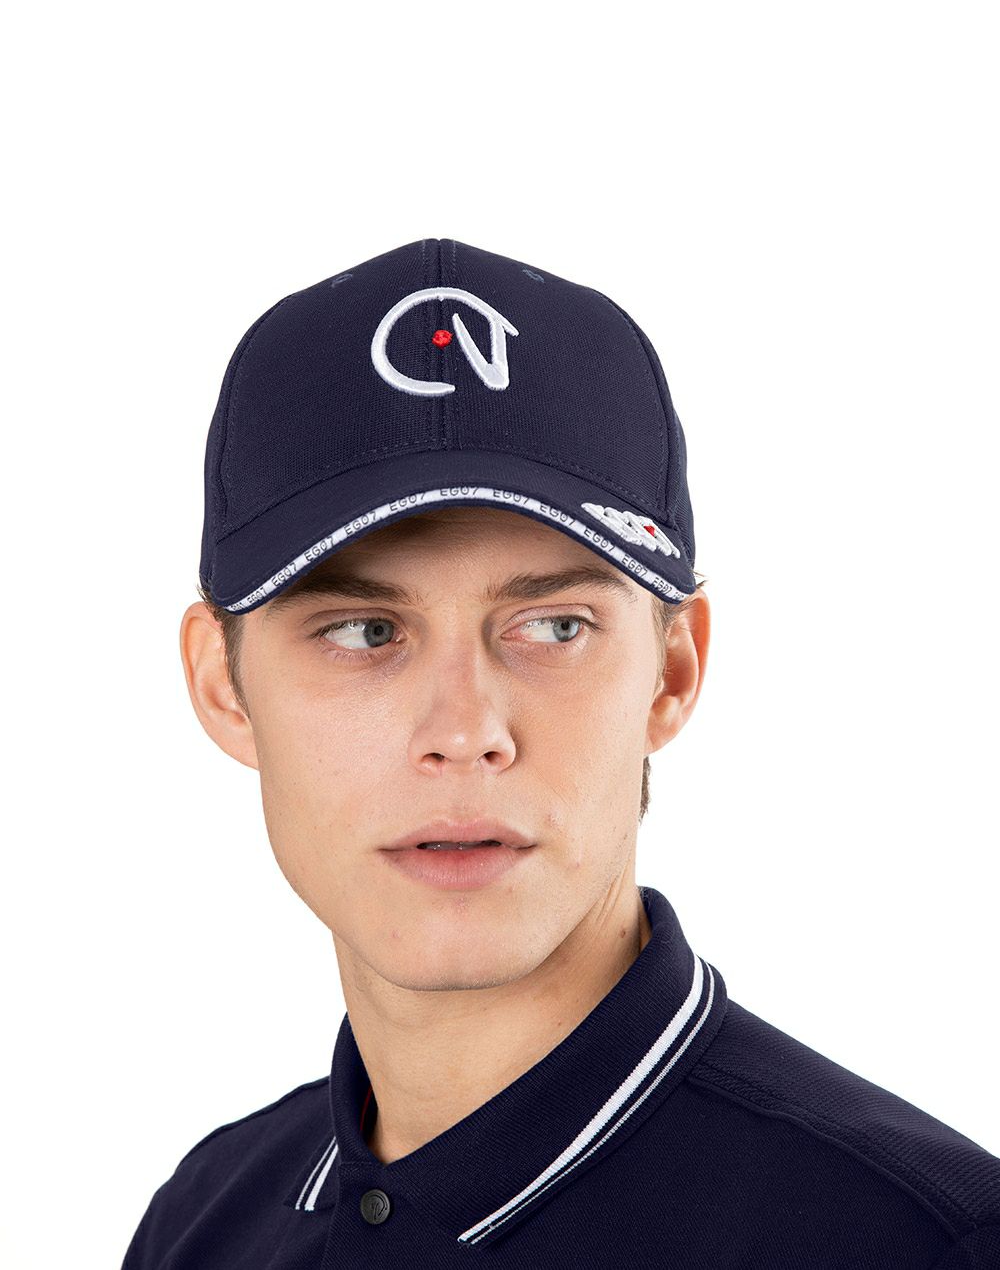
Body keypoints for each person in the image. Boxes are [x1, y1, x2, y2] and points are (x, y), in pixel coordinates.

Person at [122, 238, 1000, 1268]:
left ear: (672, 673)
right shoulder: (206, 1222)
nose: (464, 732)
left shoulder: (924, 1244)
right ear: (223, 685)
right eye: (364, 631)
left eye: (552, 627)